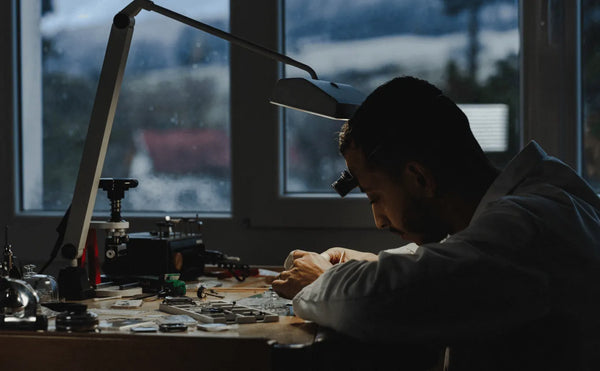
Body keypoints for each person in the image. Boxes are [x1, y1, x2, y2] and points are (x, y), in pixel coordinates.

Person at [271, 76, 600, 371]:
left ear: (419, 178)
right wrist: (372, 263)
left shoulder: (527, 232)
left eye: (375, 197)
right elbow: (462, 261)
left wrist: (322, 279)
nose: (379, 220)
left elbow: (373, 305)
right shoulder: (537, 206)